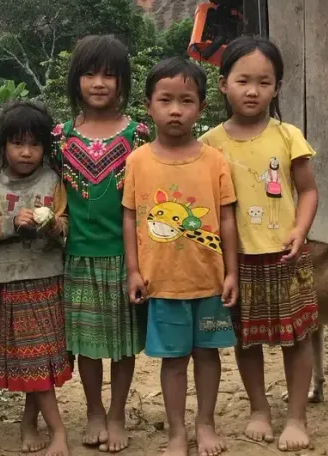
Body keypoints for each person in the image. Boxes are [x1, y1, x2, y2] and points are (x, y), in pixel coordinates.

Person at [201, 36, 320, 452]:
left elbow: (308, 191)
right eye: (243, 80)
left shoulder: (288, 136)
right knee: (246, 339)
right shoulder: (210, 143)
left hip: (285, 257)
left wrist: (300, 230)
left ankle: (297, 417)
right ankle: (259, 409)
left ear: (277, 88)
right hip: (238, 262)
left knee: (297, 338)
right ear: (223, 84)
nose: (253, 91)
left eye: (264, 82)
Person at [123, 57, 239, 456]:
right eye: (166, 100)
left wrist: (231, 273)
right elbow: (130, 218)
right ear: (148, 105)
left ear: (201, 107)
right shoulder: (137, 161)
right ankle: (176, 432)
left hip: (208, 281)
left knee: (207, 354)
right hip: (162, 284)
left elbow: (226, 218)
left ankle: (205, 424)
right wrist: (133, 270)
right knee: (172, 361)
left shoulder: (214, 160)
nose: (176, 110)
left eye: (186, 101)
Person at [50, 34, 150, 453]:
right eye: (89, 73)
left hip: (126, 258)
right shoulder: (60, 137)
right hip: (78, 258)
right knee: (87, 344)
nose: (98, 83)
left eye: (109, 74)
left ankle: (117, 413)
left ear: (123, 81)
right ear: (75, 79)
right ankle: (94, 410)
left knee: (124, 343)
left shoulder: (139, 134)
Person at [0, 101, 72, 456]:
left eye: (35, 144)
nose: (26, 152)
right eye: (17, 143)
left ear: (45, 147)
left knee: (41, 359)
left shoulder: (53, 181)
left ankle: (29, 422)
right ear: (3, 146)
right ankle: (58, 431)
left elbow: (65, 224)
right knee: (34, 358)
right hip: (13, 283)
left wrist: (54, 225)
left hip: (51, 279)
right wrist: (13, 222)